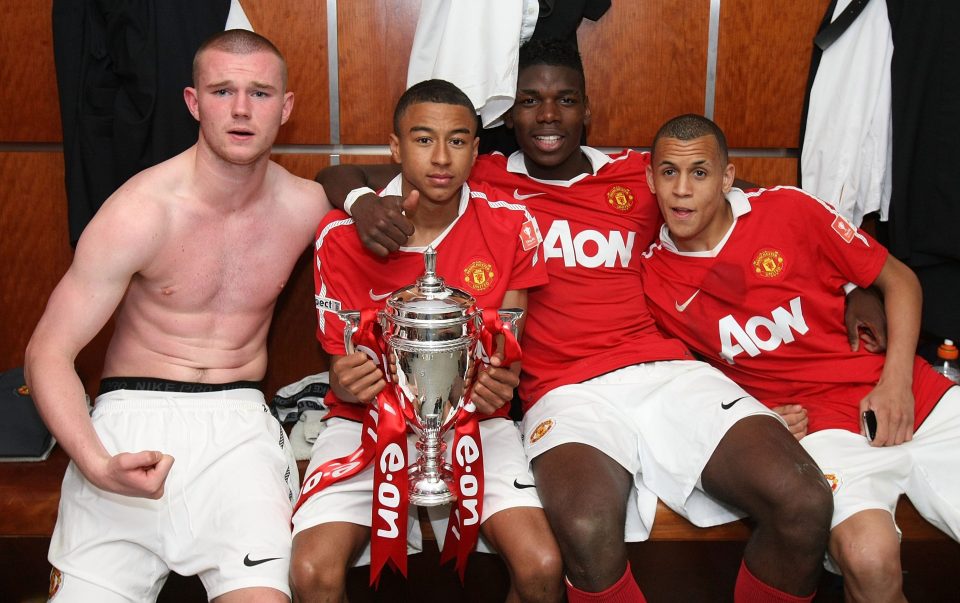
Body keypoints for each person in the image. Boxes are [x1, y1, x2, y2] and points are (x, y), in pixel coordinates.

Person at [317, 39, 837, 602]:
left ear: (588, 110)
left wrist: (861, 282)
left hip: (662, 371)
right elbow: (337, 174)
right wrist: (361, 202)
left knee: (804, 502)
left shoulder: (638, 173)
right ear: (506, 116)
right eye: (529, 101)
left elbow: (743, 198)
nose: (547, 116)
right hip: (562, 391)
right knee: (586, 531)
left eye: (565, 100)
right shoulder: (476, 175)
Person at [24, 30, 331, 602]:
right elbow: (47, 352)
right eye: (222, 91)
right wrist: (94, 462)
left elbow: (380, 209)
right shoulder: (140, 211)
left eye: (261, 94)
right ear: (193, 103)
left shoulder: (305, 207)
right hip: (126, 424)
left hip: (238, 425)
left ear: (286, 108)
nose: (241, 110)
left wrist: (360, 200)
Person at [638, 113, 960, 603]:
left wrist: (895, 382)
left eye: (700, 173)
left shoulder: (790, 210)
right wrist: (755, 419)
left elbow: (900, 280)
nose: (682, 190)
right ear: (650, 179)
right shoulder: (654, 281)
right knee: (868, 560)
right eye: (669, 173)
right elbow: (680, 384)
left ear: (726, 178)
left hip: (913, 393)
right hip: (819, 428)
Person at [290, 79, 563, 602]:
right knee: (311, 573)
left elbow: (504, 355)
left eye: (458, 141)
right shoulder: (341, 235)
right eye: (422, 140)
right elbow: (342, 370)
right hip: (367, 422)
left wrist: (497, 384)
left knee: (542, 567)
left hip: (472, 425)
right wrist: (345, 382)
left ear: (477, 150)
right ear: (394, 148)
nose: (441, 158)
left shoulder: (510, 226)